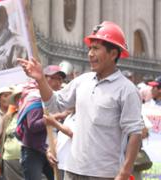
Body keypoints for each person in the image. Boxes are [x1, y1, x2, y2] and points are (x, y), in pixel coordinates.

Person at [18, 21, 144, 180]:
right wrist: (41, 80)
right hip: (72, 171)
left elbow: (134, 133)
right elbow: (55, 105)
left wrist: (124, 173)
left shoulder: (127, 90)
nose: (90, 53)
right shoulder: (82, 81)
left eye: (96, 48)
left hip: (104, 175)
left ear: (113, 54)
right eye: (90, 48)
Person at [18, 65, 66, 180]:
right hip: (34, 150)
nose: (59, 82)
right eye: (55, 78)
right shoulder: (35, 97)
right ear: (44, 78)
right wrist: (57, 117)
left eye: (60, 79)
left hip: (53, 149)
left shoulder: (59, 98)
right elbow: (33, 126)